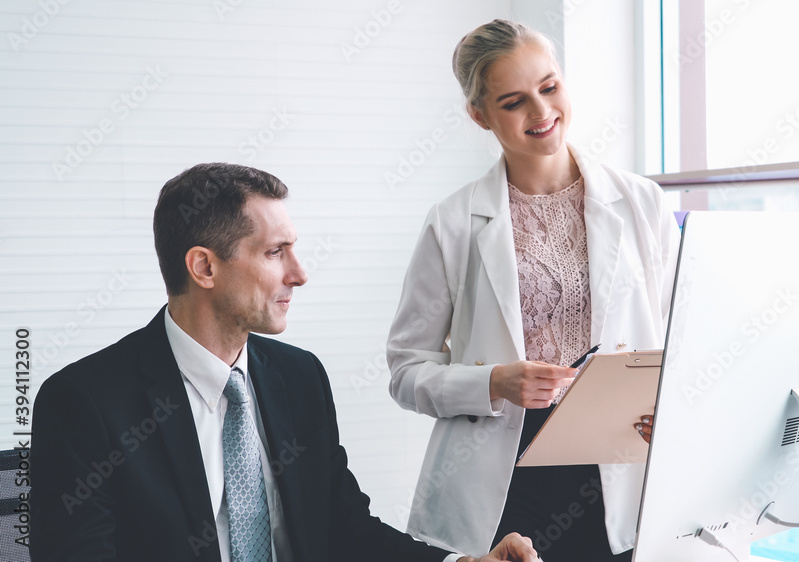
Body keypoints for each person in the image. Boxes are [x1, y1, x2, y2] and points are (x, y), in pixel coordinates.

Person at [30, 163, 539, 562]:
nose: (300, 274)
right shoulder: (85, 402)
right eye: (276, 252)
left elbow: (344, 528)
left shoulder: (299, 378)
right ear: (204, 266)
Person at [386, 19, 680, 562]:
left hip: (622, 463)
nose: (542, 113)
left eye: (549, 87)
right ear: (480, 115)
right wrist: (492, 382)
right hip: (508, 475)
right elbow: (406, 374)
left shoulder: (643, 203)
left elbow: (681, 341)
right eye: (514, 101)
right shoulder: (453, 223)